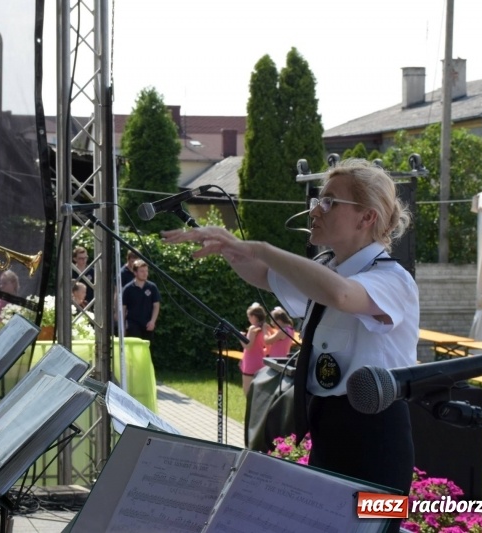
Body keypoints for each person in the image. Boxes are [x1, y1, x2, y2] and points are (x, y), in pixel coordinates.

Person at [163, 158, 417, 529]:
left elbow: (344, 296)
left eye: (330, 202)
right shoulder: (329, 269)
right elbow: (267, 277)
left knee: (375, 525)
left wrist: (262, 247)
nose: (315, 209)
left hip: (377, 440)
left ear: (367, 218)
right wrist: (231, 247)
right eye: (319, 199)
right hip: (329, 427)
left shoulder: (392, 279)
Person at [122, 259, 161, 341]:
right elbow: (123, 308)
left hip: (147, 324)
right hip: (133, 324)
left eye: (146, 271)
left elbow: (156, 305)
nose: (145, 273)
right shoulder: (128, 289)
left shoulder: (152, 287)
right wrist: (122, 326)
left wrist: (153, 321)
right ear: (135, 273)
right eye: (142, 271)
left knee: (146, 349)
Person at [239, 303, 266, 395]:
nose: (248, 319)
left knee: (247, 392)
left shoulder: (252, 328)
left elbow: (248, 346)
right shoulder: (264, 327)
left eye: (249, 317)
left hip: (250, 363)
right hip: (260, 362)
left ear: (254, 317)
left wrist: (240, 337)